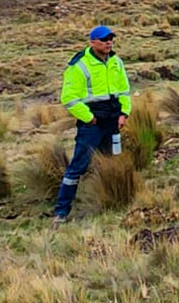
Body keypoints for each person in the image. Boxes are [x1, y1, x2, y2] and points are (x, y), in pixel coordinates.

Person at [52, 25, 132, 224]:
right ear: (92, 42)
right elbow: (69, 98)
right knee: (79, 165)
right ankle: (61, 211)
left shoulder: (116, 62)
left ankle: (112, 199)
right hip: (92, 125)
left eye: (110, 39)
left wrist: (124, 113)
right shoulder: (79, 65)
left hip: (113, 122)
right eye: (104, 39)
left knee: (112, 160)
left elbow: (124, 90)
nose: (108, 42)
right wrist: (89, 118)